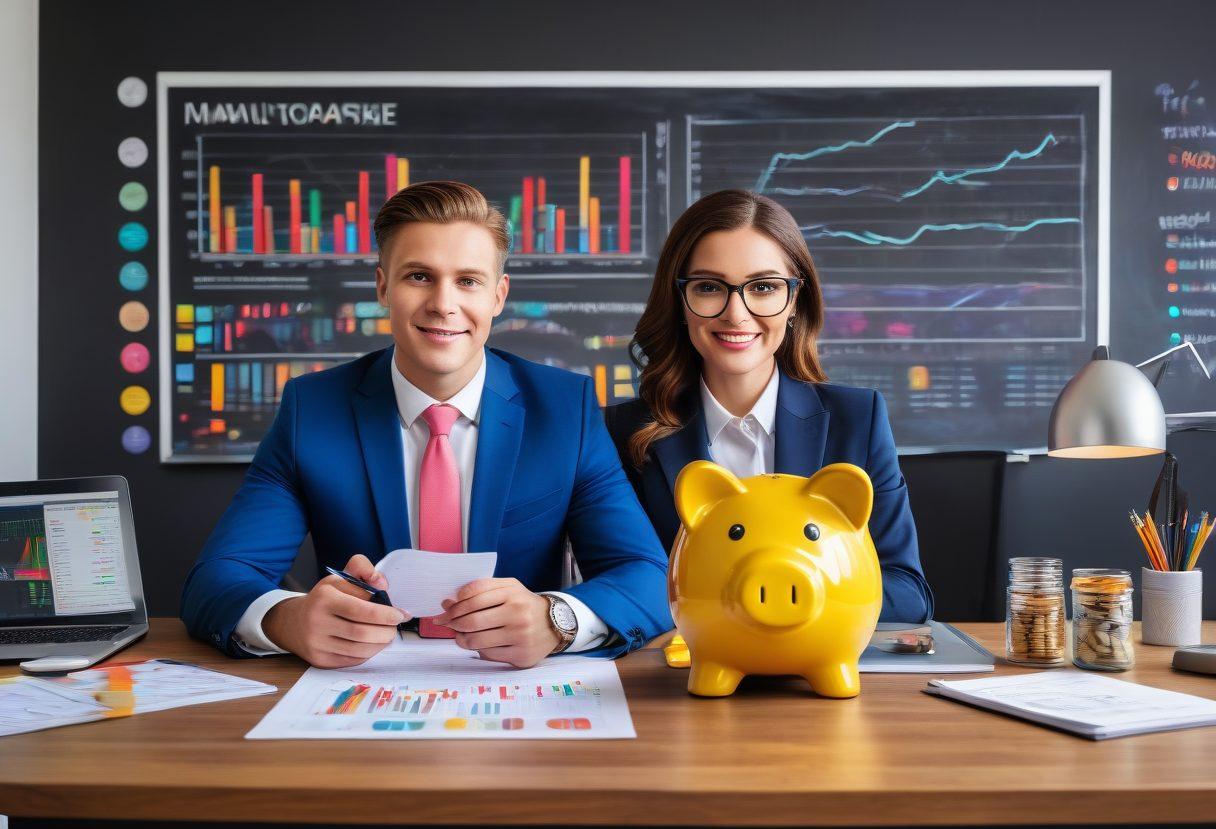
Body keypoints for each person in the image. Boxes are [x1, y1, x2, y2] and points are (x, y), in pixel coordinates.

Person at [181, 181, 672, 669]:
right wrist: (287, 620)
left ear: (498, 295)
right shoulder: (313, 410)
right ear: (382, 287)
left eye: (468, 281)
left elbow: (647, 575)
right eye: (419, 276)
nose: (443, 303)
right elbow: (218, 578)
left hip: (513, 684)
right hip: (359, 686)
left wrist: (555, 619)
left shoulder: (565, 410)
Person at [604, 189, 933, 622]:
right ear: (680, 302)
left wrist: (788, 594)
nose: (736, 314)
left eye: (763, 287)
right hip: (682, 679)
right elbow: (617, 586)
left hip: (816, 680)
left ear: (795, 299)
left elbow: (909, 594)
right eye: (708, 287)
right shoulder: (621, 432)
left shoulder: (858, 420)